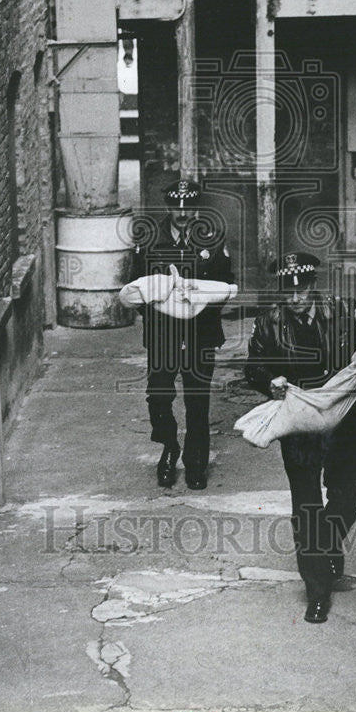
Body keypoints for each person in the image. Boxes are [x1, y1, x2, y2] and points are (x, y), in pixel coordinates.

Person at [244, 252, 356, 624]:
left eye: (303, 288)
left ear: (314, 286)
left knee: (347, 495)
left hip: (343, 418)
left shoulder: (343, 312)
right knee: (306, 505)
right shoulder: (268, 323)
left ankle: (328, 542)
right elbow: (253, 366)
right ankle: (316, 590)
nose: (297, 296)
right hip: (299, 421)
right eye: (289, 290)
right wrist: (268, 381)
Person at [131, 179, 233, 490]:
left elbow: (225, 286)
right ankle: (169, 446)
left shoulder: (212, 239)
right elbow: (136, 288)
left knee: (197, 401)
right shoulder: (149, 239)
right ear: (168, 207)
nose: (183, 213)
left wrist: (198, 303)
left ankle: (195, 461)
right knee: (159, 396)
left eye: (189, 207)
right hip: (164, 334)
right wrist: (162, 310)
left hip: (200, 333)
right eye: (176, 207)